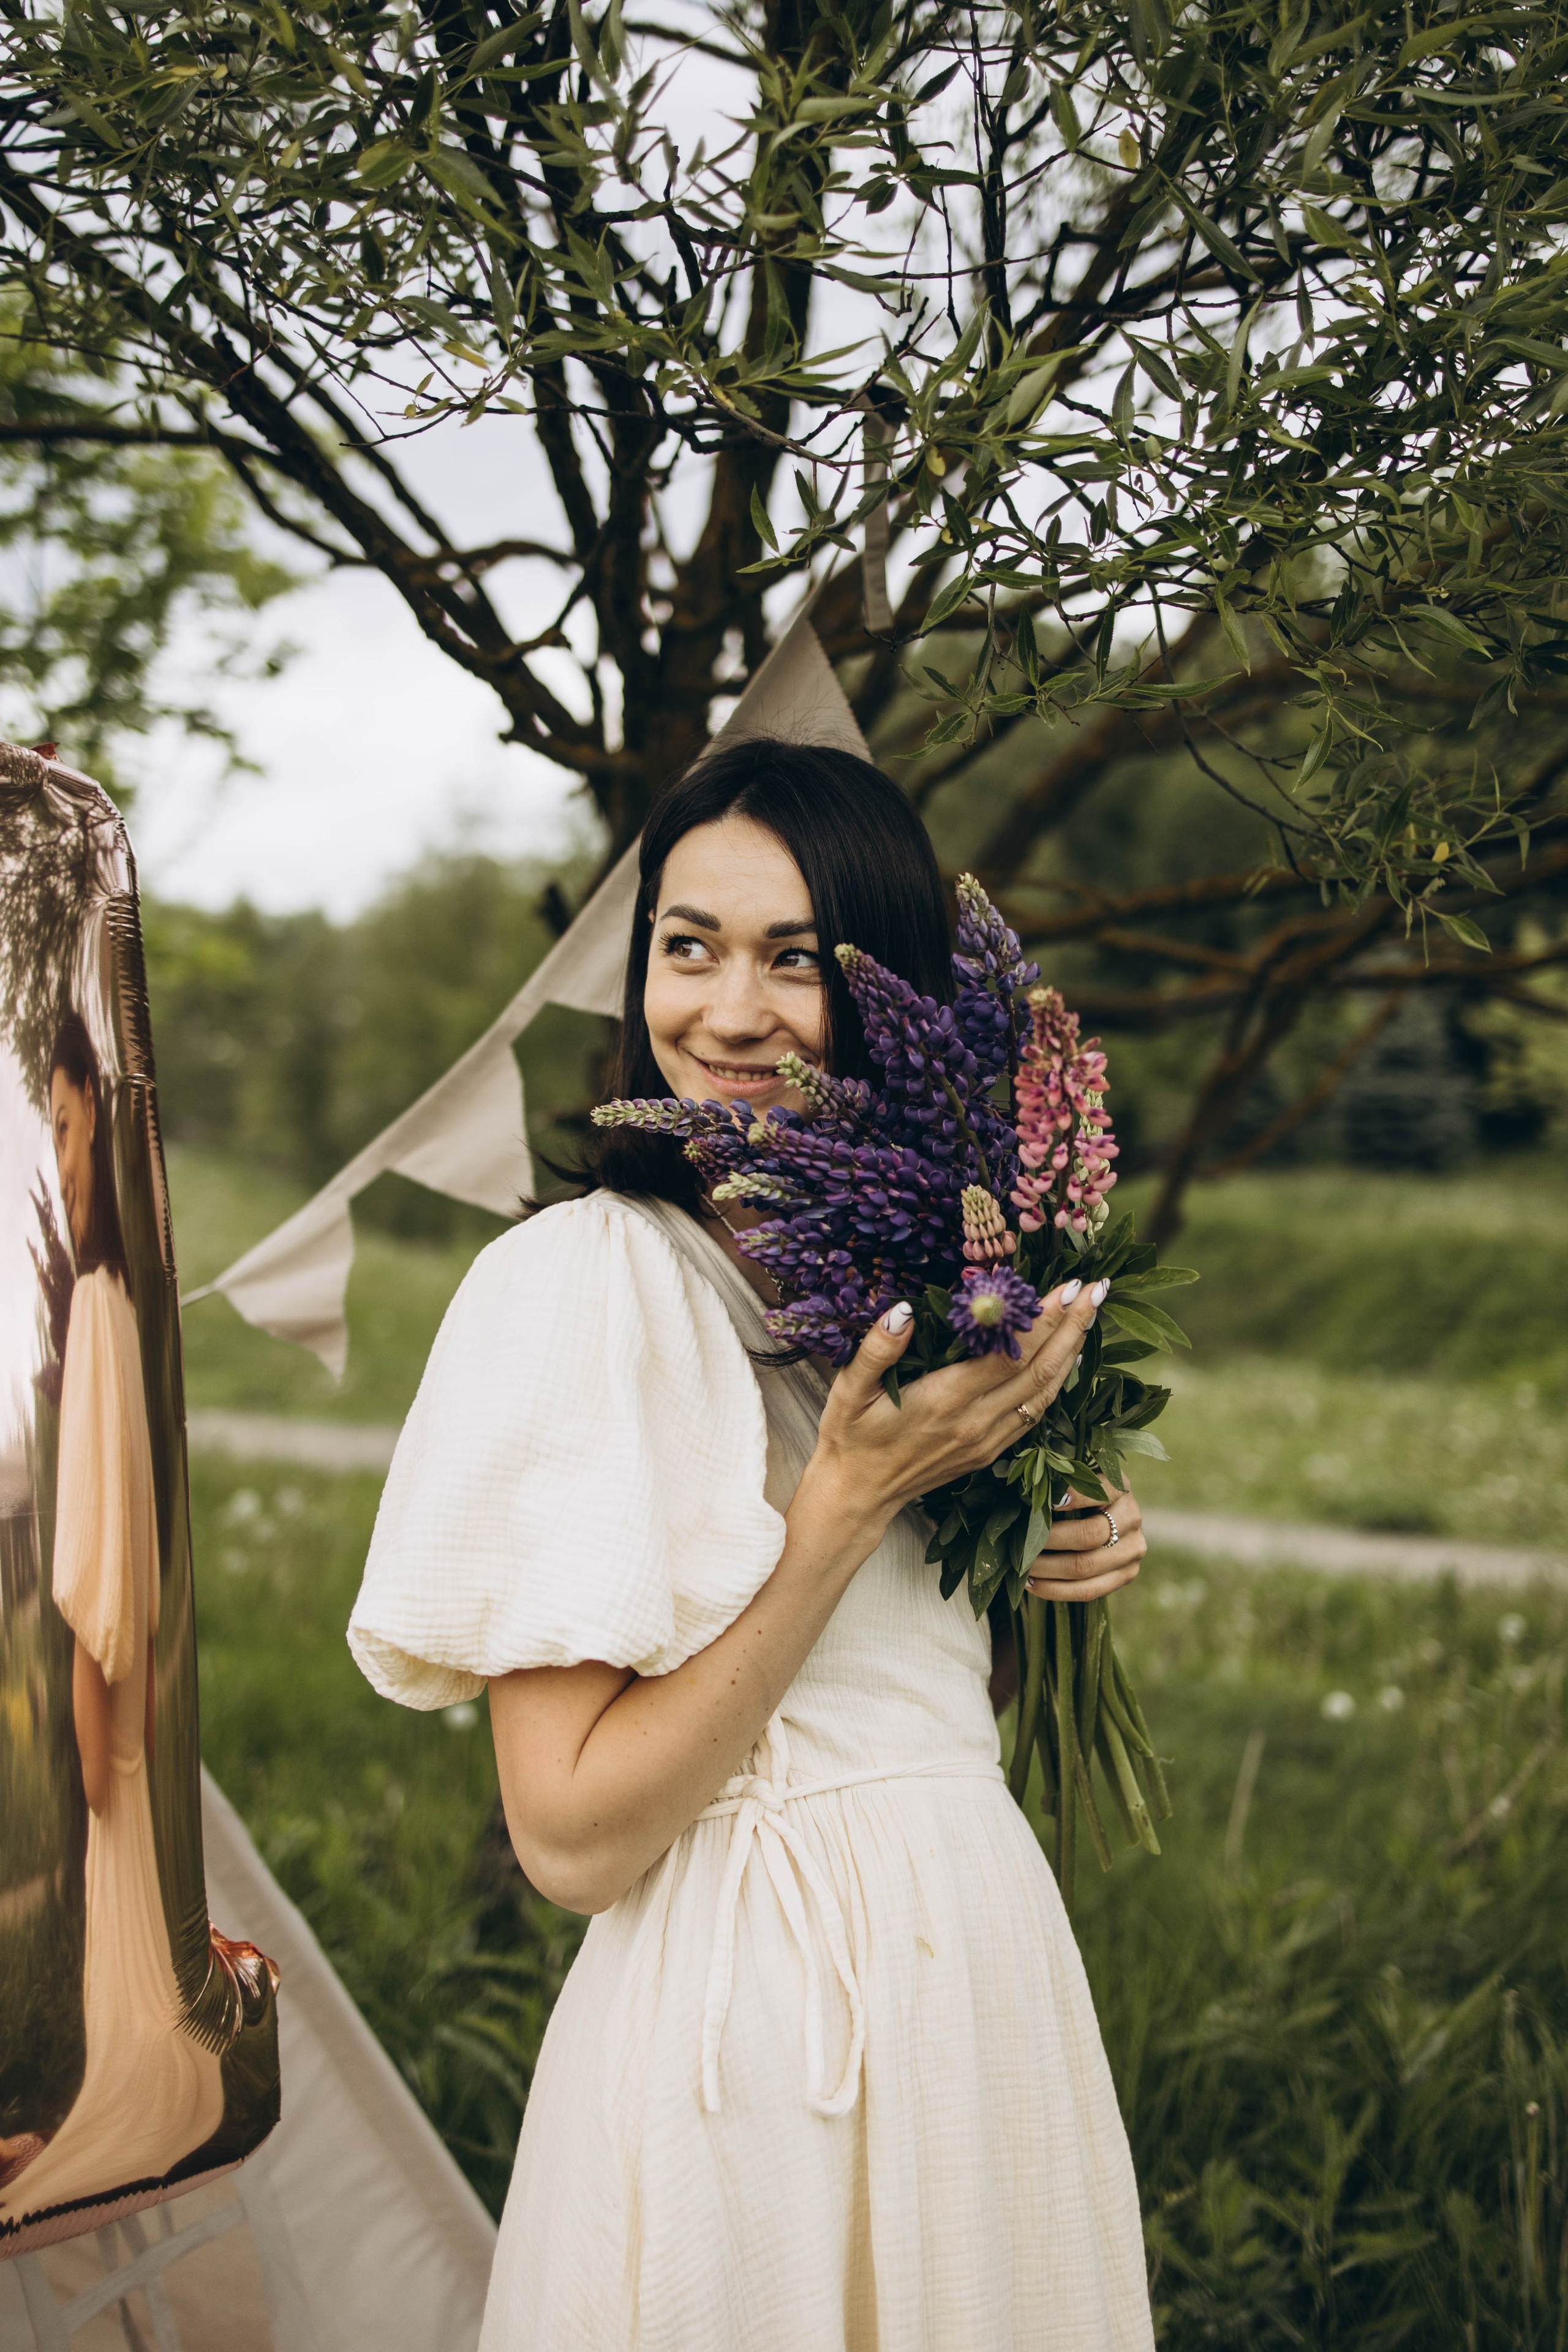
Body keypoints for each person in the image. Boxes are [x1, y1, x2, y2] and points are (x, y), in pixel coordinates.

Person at [349, 739, 1155, 2350]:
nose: (727, 1010)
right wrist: (846, 1516)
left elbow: (885, 1704)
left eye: (797, 959)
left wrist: (1025, 1522)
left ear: (900, 999)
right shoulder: (586, 1281)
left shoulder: (908, 1281)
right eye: (688, 944)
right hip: (759, 2039)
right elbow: (571, 1838)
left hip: (975, 1982)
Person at [0, 1014, 224, 2228]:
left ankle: (114, 2125)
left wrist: (94, 1750)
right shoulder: (119, 1300)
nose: (65, 1154)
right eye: (57, 1131)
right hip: (130, 1707)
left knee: (125, 1965)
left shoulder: (97, 1302)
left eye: (74, 1128)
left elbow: (96, 1567)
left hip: (115, 1718)